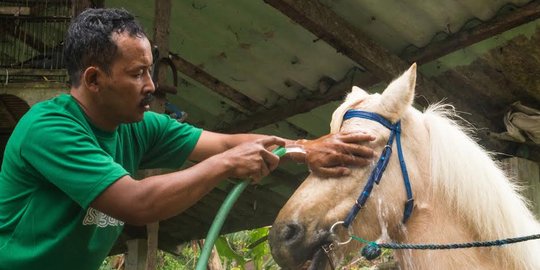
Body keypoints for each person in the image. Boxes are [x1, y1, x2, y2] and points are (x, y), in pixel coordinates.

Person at [0, 8, 375, 270]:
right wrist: (226, 166)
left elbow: (226, 143)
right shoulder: (49, 128)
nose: (150, 86)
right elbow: (137, 203)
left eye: (150, 71)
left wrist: (306, 149)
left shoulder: (139, 125)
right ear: (95, 80)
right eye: (137, 74)